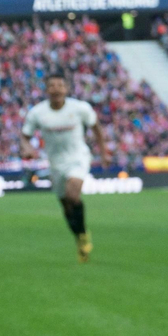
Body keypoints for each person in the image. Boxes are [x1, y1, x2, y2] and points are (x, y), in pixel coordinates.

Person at [20, 71, 109, 263]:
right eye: (52, 86)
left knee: (72, 194)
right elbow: (24, 136)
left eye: (60, 85)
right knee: (66, 206)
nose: (56, 89)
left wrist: (103, 152)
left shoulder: (79, 108)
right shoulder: (37, 113)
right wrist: (27, 148)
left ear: (66, 88)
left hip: (78, 158)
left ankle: (84, 234)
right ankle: (79, 237)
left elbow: (96, 128)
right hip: (56, 163)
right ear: (46, 89)